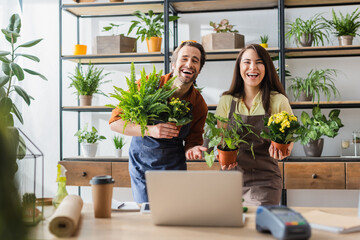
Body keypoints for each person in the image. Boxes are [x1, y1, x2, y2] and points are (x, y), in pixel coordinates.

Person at [109, 41, 208, 203]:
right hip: (142, 166)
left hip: (174, 167)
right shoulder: (148, 85)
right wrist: (150, 130)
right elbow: (115, 122)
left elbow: (193, 140)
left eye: (195, 61)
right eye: (184, 58)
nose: (189, 64)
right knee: (148, 214)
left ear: (199, 70)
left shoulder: (198, 104)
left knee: (173, 215)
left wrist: (193, 148)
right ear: (174, 64)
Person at [215, 44, 293, 206]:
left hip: (266, 181)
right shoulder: (226, 101)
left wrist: (284, 151)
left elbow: (288, 140)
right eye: (247, 62)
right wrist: (220, 153)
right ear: (239, 67)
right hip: (231, 179)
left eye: (259, 62)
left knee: (257, 224)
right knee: (231, 228)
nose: (253, 67)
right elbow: (222, 140)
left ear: (267, 67)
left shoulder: (278, 101)